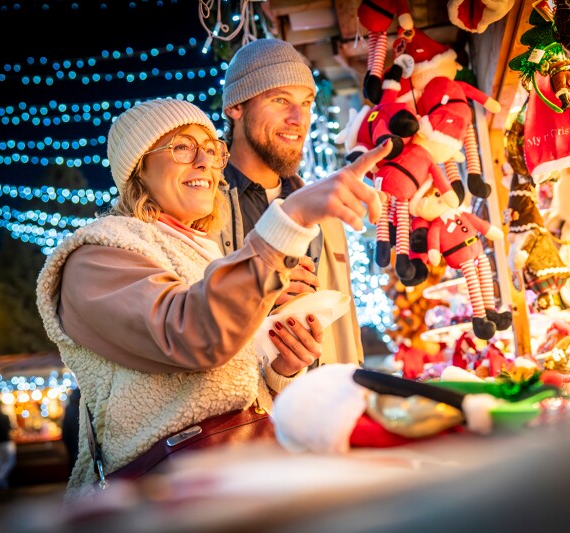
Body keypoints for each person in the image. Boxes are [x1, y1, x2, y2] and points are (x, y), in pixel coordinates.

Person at [35, 97, 390, 502]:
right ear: (138, 168)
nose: (205, 160)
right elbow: (191, 335)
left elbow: (227, 380)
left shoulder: (207, 253)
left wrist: (281, 362)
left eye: (212, 148)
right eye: (183, 146)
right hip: (163, 497)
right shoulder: (96, 255)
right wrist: (289, 219)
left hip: (243, 475)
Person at [215, 38, 365, 366]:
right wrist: (255, 298)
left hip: (323, 403)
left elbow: (345, 327)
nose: (299, 118)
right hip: (247, 410)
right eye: (280, 100)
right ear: (236, 107)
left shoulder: (324, 214)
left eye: (307, 102)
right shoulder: (202, 208)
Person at [61, 387, 81, 472]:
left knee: (75, 469)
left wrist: (67, 446)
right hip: (86, 443)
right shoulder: (86, 407)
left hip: (73, 445)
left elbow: (65, 429)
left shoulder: (69, 408)